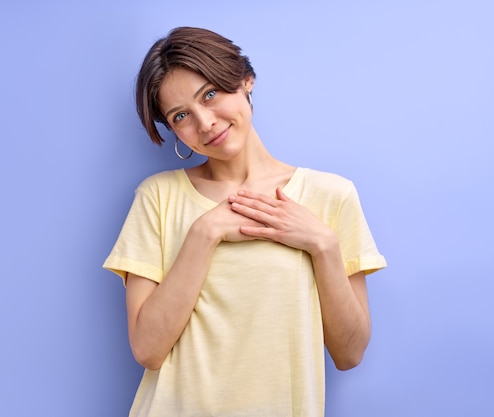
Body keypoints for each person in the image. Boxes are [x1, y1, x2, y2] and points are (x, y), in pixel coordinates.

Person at [103, 26, 387, 417]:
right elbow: (148, 350)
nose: (204, 123)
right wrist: (204, 233)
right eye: (181, 115)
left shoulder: (330, 196)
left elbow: (350, 353)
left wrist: (322, 244)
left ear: (245, 80)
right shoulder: (157, 197)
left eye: (210, 94)